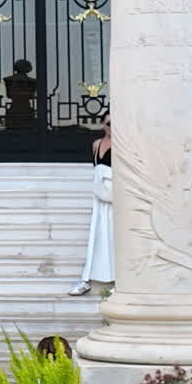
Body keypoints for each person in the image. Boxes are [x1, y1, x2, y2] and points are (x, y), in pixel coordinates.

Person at [68, 115, 114, 296]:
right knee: (97, 235)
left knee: (113, 237)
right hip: (99, 195)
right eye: (109, 123)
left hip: (114, 195)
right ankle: (86, 279)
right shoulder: (96, 144)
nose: (112, 127)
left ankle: (118, 281)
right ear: (103, 124)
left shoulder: (123, 144)